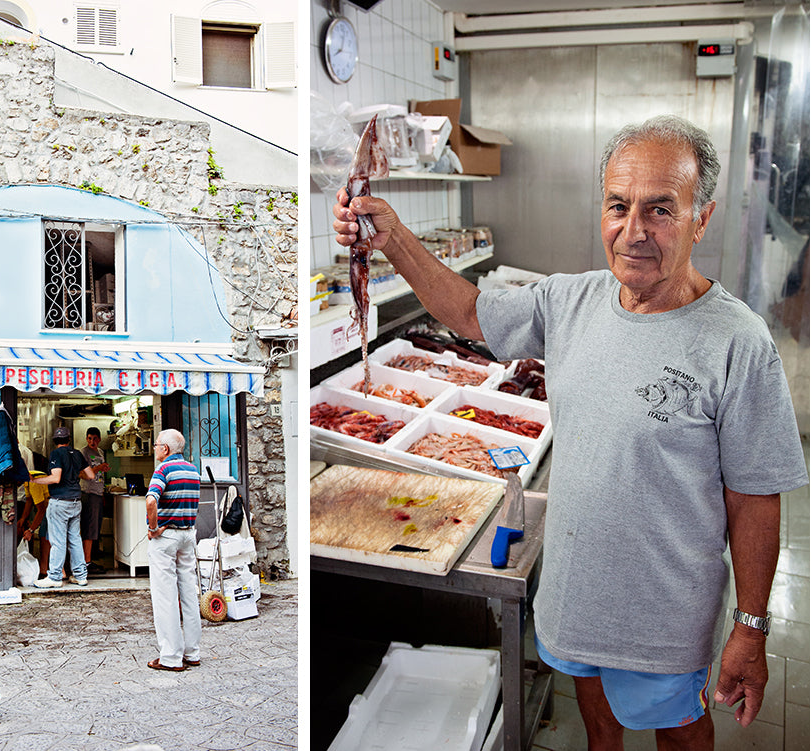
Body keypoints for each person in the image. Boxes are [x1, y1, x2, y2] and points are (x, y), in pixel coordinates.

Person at [333, 114, 807, 749]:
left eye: (660, 209)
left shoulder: (738, 341)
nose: (633, 231)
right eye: (618, 206)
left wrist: (750, 628)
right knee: (597, 723)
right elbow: (469, 311)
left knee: (682, 734)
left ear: (703, 217)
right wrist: (392, 237)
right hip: (574, 594)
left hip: (667, 615)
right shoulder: (568, 301)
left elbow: (754, 497)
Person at [145, 428, 201, 671]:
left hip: (166, 537)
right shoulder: (192, 469)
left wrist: (153, 526)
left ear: (165, 449)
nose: (155, 448)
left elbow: (151, 500)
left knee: (165, 596)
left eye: (157, 445)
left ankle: (170, 657)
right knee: (189, 593)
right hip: (188, 535)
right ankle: (192, 652)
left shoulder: (163, 469)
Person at [31, 426, 95, 589]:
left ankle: (54, 576)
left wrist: (35, 480)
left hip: (60, 501)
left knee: (58, 541)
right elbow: (91, 475)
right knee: (74, 539)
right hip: (75, 501)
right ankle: (81, 576)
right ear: (69, 440)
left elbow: (55, 478)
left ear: (54, 440)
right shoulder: (77, 454)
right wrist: (74, 475)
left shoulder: (56, 454)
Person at [79, 426, 111, 576]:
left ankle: (90, 557)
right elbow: (83, 474)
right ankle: (86, 561)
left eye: (95, 439)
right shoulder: (84, 453)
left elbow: (100, 475)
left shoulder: (100, 452)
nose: (92, 441)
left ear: (99, 439)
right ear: (87, 439)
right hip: (88, 493)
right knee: (89, 527)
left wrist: (103, 492)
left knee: (95, 527)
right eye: (89, 438)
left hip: (98, 493)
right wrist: (98, 467)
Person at [18, 469, 51, 578]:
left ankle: (44, 570)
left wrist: (31, 530)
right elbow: (29, 500)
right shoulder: (27, 480)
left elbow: (41, 509)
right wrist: (23, 518)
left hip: (52, 505)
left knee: (44, 536)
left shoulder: (33, 482)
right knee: (44, 535)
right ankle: (44, 568)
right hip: (48, 505)